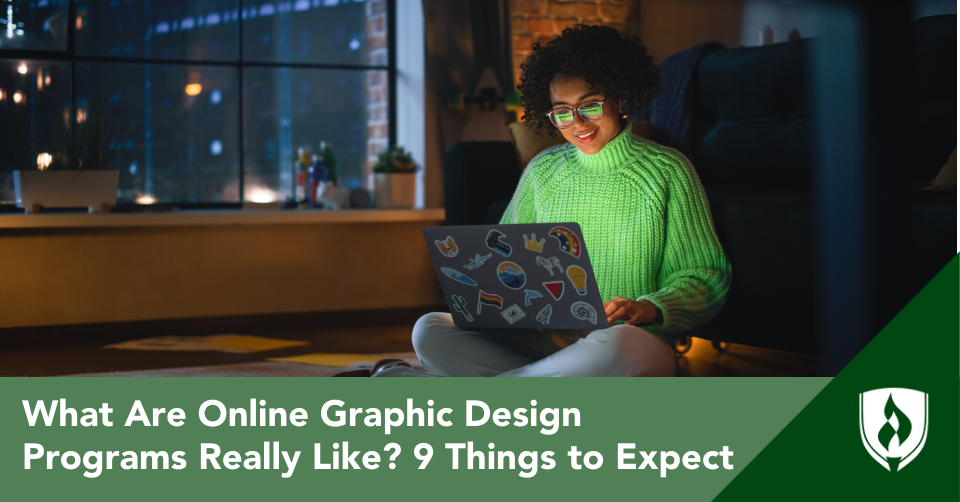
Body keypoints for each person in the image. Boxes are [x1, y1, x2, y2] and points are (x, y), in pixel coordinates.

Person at [406, 24, 731, 377]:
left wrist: (648, 307)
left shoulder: (668, 170)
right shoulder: (543, 170)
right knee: (429, 329)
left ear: (620, 97)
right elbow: (497, 261)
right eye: (562, 111)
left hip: (624, 343)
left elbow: (706, 277)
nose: (576, 123)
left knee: (621, 346)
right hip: (541, 341)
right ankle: (545, 384)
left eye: (589, 106)